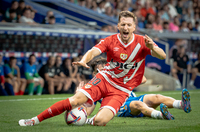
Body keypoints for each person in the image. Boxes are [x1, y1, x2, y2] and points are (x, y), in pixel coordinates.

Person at [19, 11, 166, 126]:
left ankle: (87, 119)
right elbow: (93, 51)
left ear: (134, 27)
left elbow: (163, 56)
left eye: (129, 25)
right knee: (75, 100)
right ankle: (34, 120)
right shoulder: (110, 40)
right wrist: (84, 60)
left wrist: (153, 47)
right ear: (118, 26)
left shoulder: (143, 42)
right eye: (123, 24)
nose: (125, 27)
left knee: (100, 122)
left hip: (122, 90)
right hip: (105, 79)